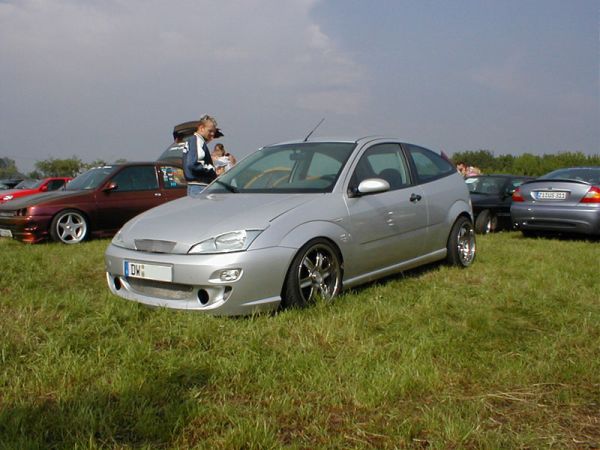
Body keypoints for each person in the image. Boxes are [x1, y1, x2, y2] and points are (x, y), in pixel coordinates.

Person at [182, 115, 218, 195]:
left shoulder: (191, 140)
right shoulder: (198, 140)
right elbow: (194, 163)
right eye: (210, 131)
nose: (212, 134)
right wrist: (212, 169)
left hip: (193, 186)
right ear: (202, 128)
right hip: (199, 186)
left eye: (214, 132)